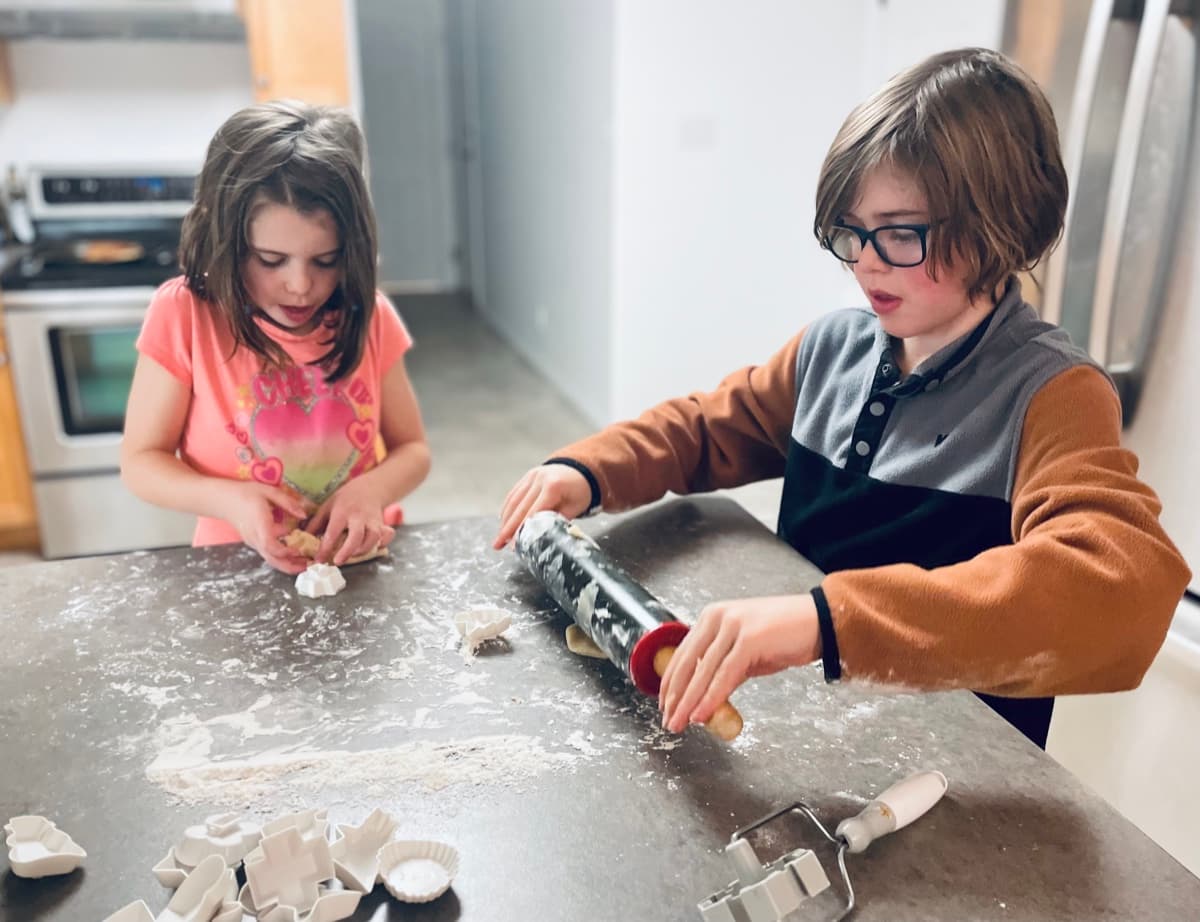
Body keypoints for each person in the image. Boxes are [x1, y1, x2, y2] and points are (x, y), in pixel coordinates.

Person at [493, 48, 1191, 749]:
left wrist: (828, 622)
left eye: (899, 234)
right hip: (812, 730)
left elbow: (1119, 590)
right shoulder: (834, 349)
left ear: (1000, 226)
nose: (865, 261)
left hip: (950, 768)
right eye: (852, 232)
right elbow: (704, 429)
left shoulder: (1050, 394)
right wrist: (587, 470)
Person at [122, 100, 431, 574]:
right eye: (271, 260)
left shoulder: (366, 315)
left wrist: (371, 491)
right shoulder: (186, 315)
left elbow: (413, 450)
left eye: (325, 260)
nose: (301, 284)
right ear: (227, 241)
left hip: (361, 561)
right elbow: (142, 462)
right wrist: (230, 500)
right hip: (237, 570)